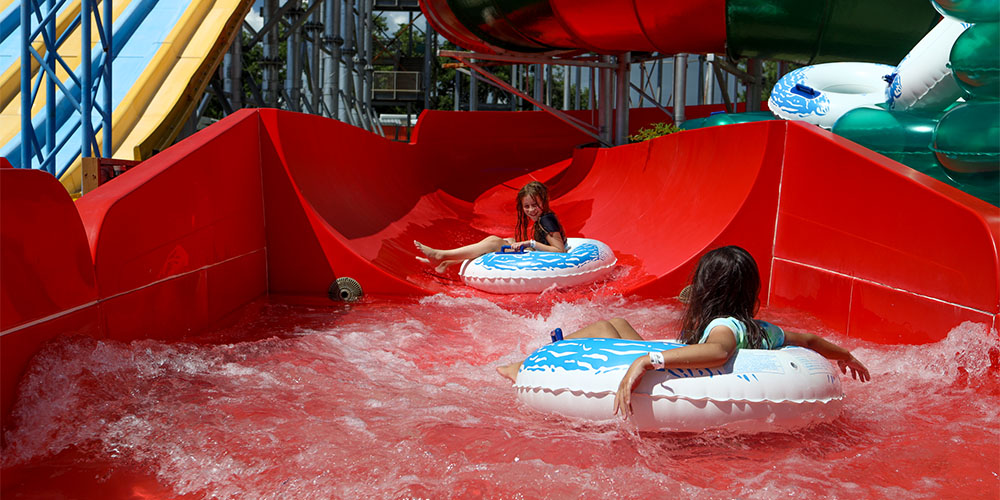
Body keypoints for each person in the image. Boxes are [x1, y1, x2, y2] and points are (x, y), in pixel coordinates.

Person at [496, 245, 870, 419]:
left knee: (607, 332)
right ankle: (548, 354)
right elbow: (809, 341)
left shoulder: (723, 326)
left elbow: (718, 352)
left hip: (671, 364)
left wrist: (649, 360)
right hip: (722, 333)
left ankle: (539, 361)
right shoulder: (763, 330)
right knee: (618, 325)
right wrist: (845, 355)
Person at [415, 181, 566, 273]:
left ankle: (441, 256)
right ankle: (447, 261)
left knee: (494, 243)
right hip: (539, 253)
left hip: (544, 259)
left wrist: (530, 243)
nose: (531, 210)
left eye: (535, 205)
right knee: (505, 239)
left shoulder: (547, 220)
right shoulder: (544, 217)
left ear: (544, 202)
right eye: (526, 206)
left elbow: (560, 251)